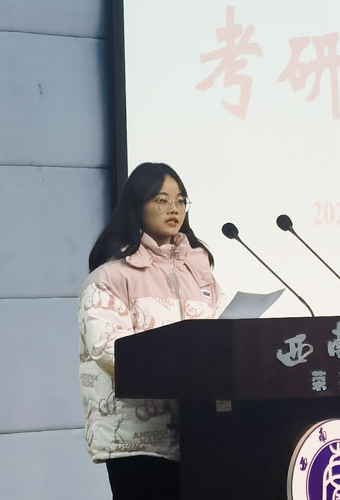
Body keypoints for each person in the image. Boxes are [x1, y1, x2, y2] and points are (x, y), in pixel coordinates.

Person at [78, 162, 224, 500]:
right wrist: (185, 368)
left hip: (199, 434)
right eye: (161, 199)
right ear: (136, 205)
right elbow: (108, 350)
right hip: (137, 441)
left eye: (181, 199)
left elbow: (221, 336)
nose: (174, 208)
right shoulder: (110, 277)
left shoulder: (199, 273)